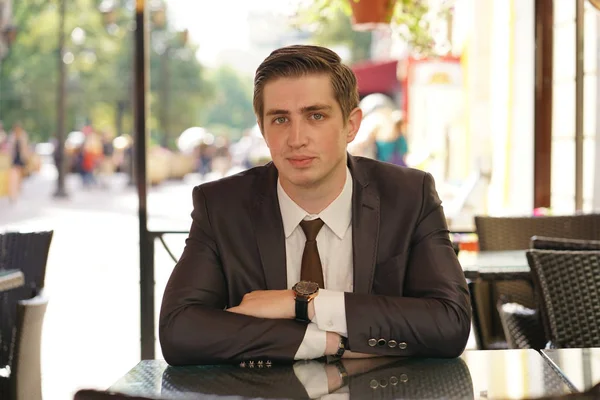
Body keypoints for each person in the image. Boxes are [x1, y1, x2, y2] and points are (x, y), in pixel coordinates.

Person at [159, 45, 471, 366]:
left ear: (351, 125)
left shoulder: (409, 196)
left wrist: (303, 304)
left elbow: (450, 324)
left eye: (316, 116)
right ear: (263, 128)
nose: (296, 138)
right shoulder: (222, 206)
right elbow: (178, 330)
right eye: (280, 119)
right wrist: (326, 342)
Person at [6, 122, 30, 202]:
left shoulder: (23, 136)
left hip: (21, 158)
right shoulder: (12, 136)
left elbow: (25, 148)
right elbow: (10, 148)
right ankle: (14, 190)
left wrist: (27, 158)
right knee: (14, 174)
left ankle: (18, 186)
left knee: (20, 174)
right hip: (14, 158)